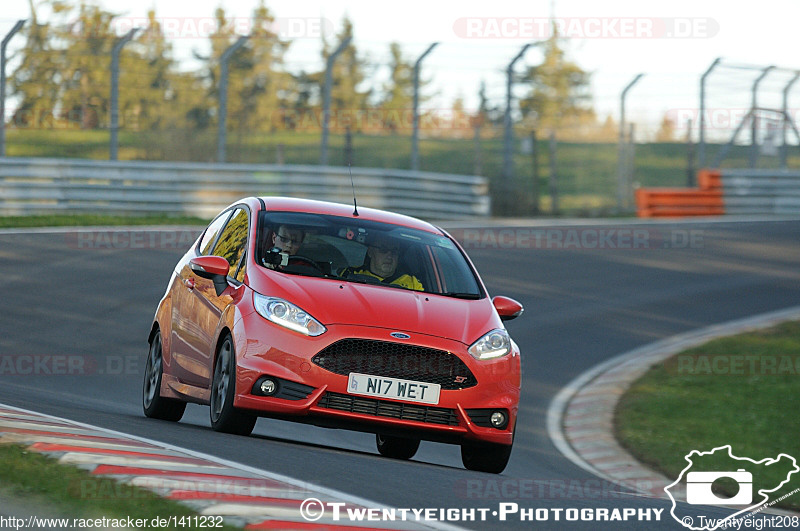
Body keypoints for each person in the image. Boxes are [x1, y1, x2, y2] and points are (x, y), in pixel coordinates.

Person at [347, 236, 423, 291]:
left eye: (394, 251)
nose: (389, 256)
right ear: (370, 252)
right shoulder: (351, 274)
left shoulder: (413, 283)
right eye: (383, 250)